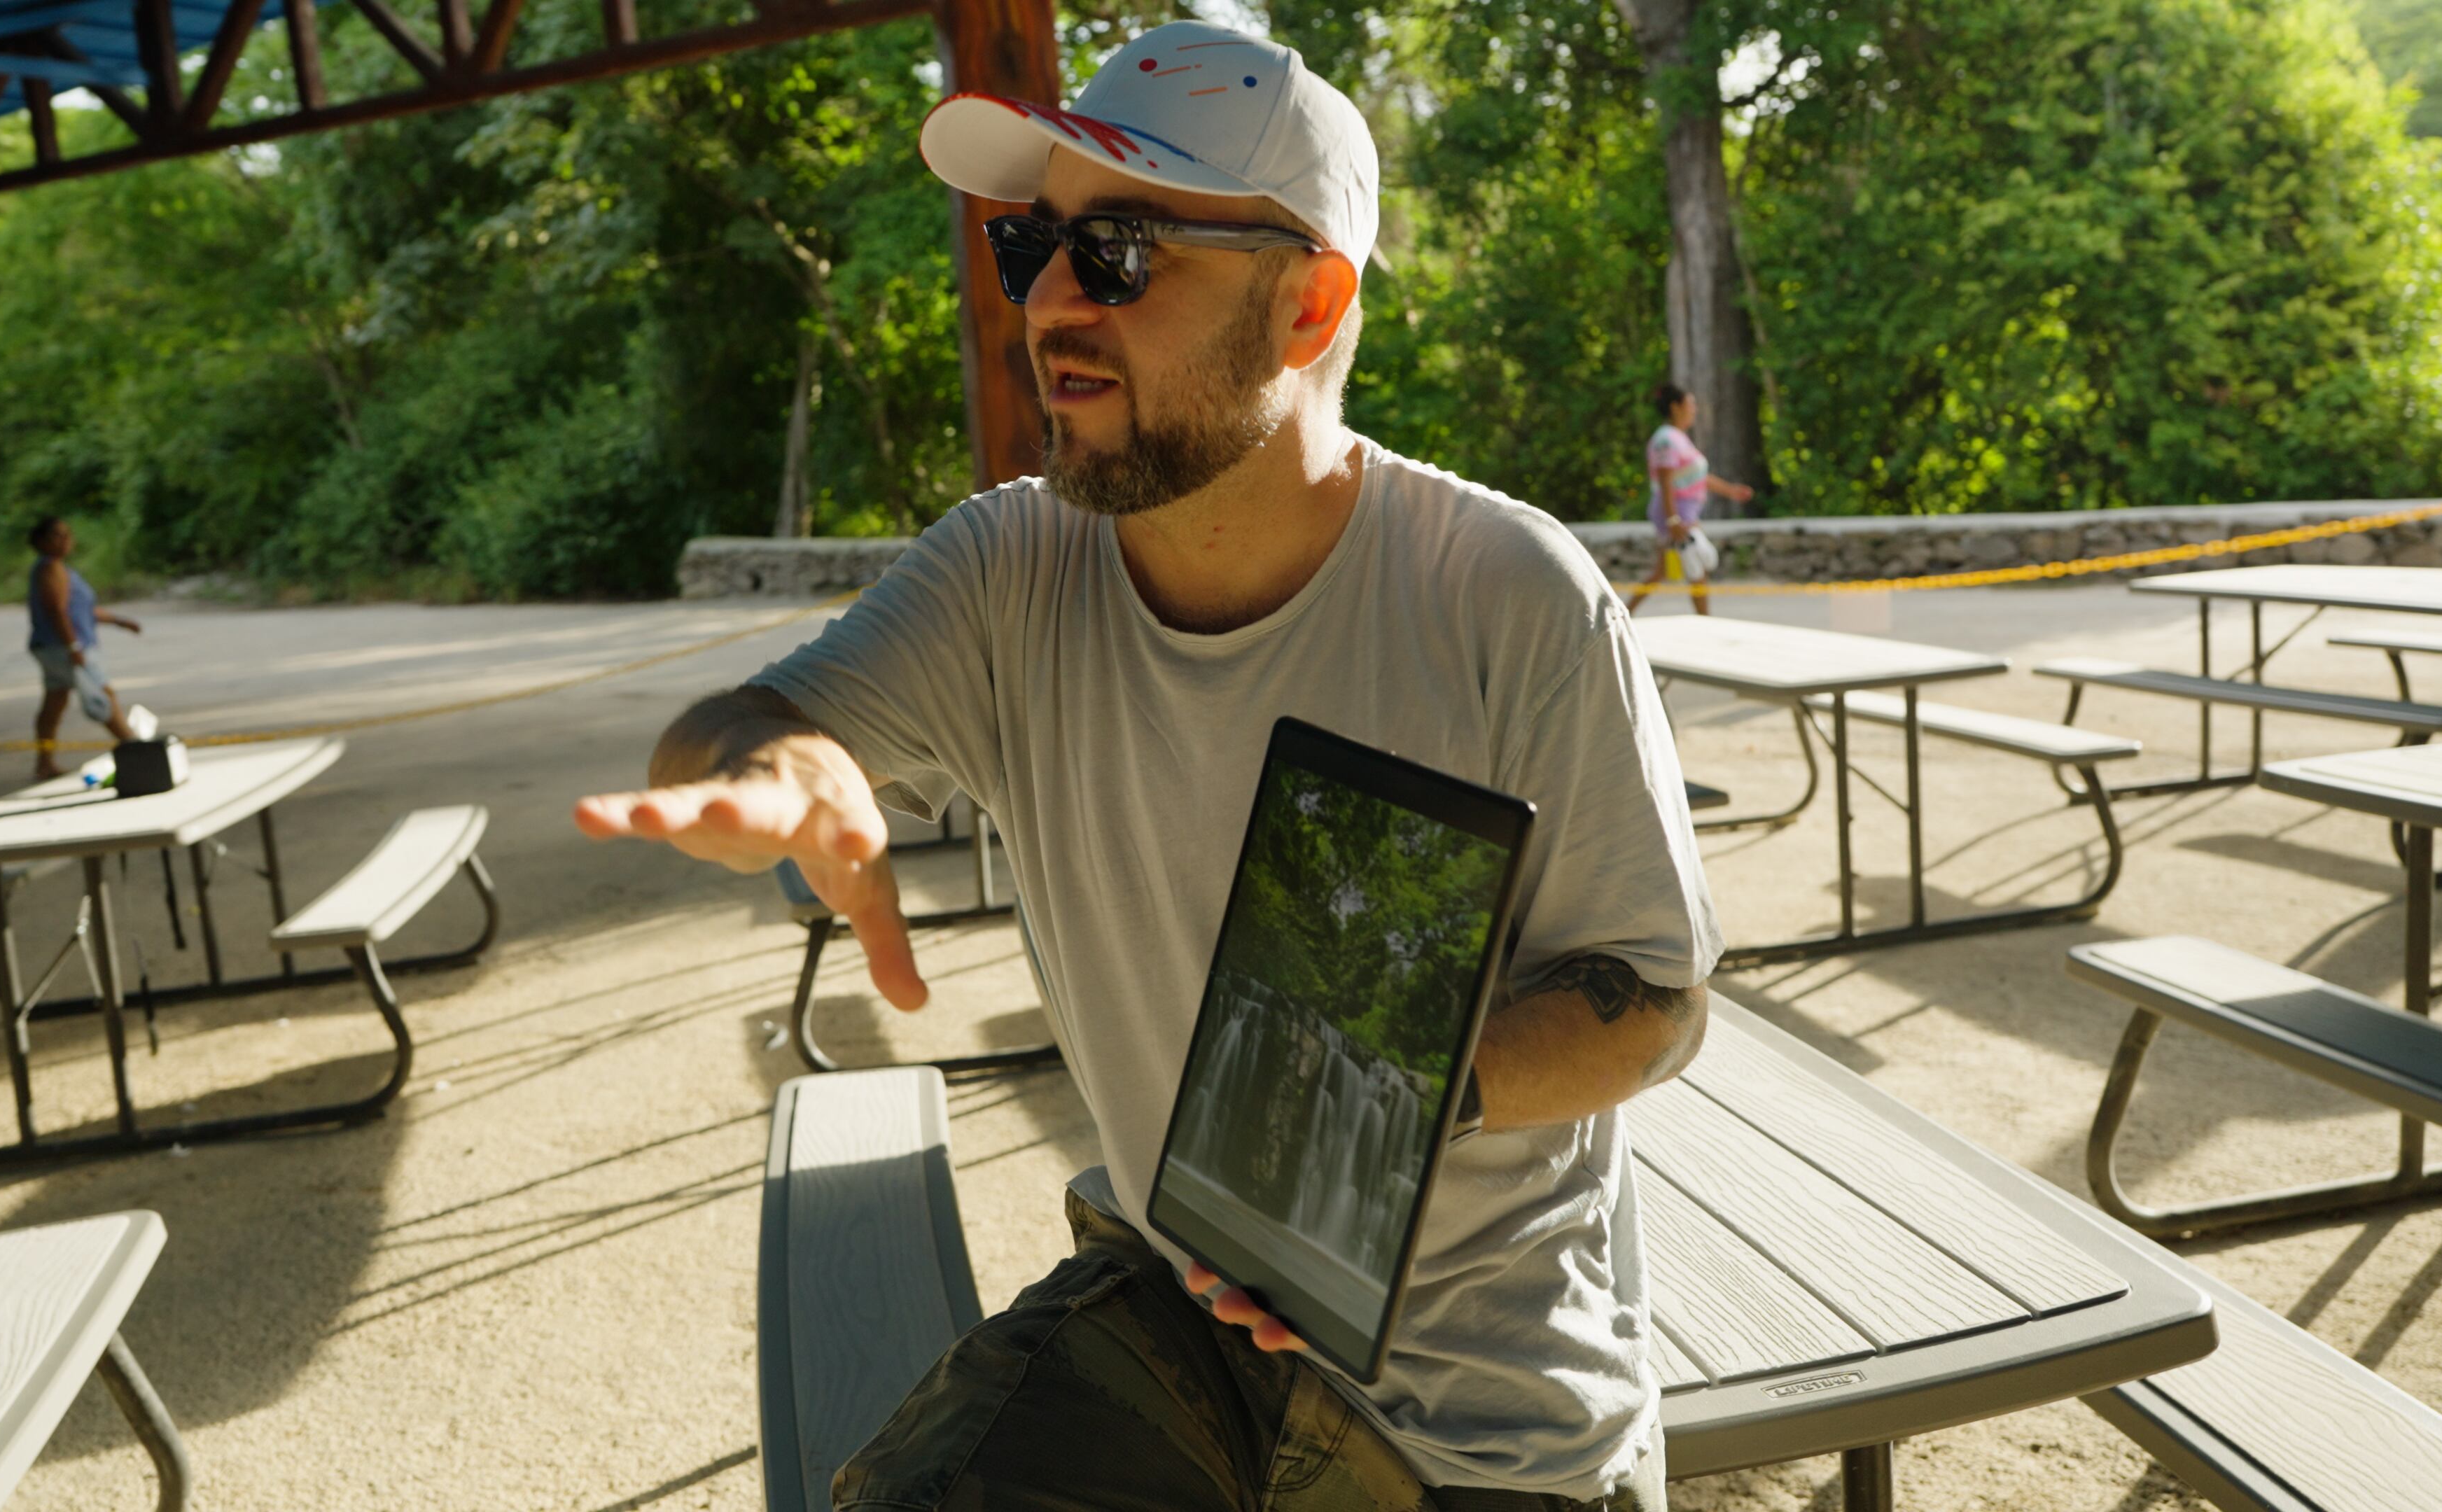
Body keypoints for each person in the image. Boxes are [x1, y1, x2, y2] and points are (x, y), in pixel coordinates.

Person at [576, 22, 1719, 1511]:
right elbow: (735, 731)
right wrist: (780, 766)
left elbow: (1654, 1001)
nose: (1049, 298)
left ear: (1309, 304)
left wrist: (1366, 1118)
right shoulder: (1008, 569)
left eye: (1118, 250)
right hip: (1181, 1310)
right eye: (1033, 243)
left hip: (1484, 1429)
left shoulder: (1507, 596)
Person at [25, 517, 141, 779]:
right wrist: (73, 645)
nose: (66, 540)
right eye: (58, 535)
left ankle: (44, 763)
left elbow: (83, 611)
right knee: (103, 694)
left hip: (54, 647)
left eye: (67, 534)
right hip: (63, 647)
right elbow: (57, 610)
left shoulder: (59, 569)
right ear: (42, 541)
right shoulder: (50, 569)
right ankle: (137, 749)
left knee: (55, 702)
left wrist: (119, 621)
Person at [1623, 385, 1753, 618]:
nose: (1695, 409)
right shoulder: (1665, 440)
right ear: (1676, 407)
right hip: (1676, 513)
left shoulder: (1678, 438)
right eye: (1690, 404)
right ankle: (1705, 622)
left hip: (1683, 512)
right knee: (1697, 567)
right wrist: (1673, 519)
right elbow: (1665, 481)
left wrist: (1731, 491)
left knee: (1663, 571)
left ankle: (1622, 614)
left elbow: (1698, 476)